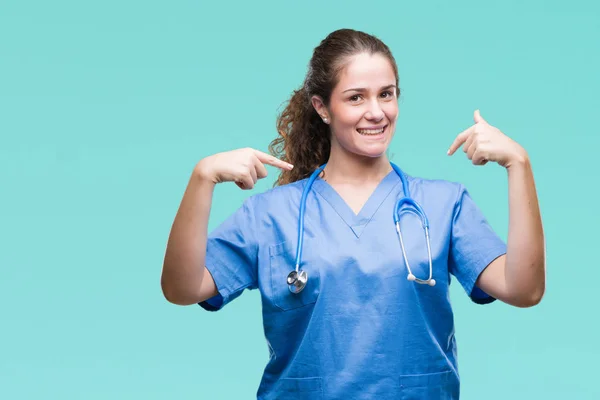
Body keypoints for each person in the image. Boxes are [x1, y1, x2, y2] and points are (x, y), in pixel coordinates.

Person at [161, 29, 546, 399]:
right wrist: (202, 179)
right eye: (356, 98)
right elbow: (182, 289)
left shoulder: (443, 205)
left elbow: (524, 289)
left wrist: (519, 164)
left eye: (386, 94)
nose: (376, 112)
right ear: (322, 107)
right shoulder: (272, 214)